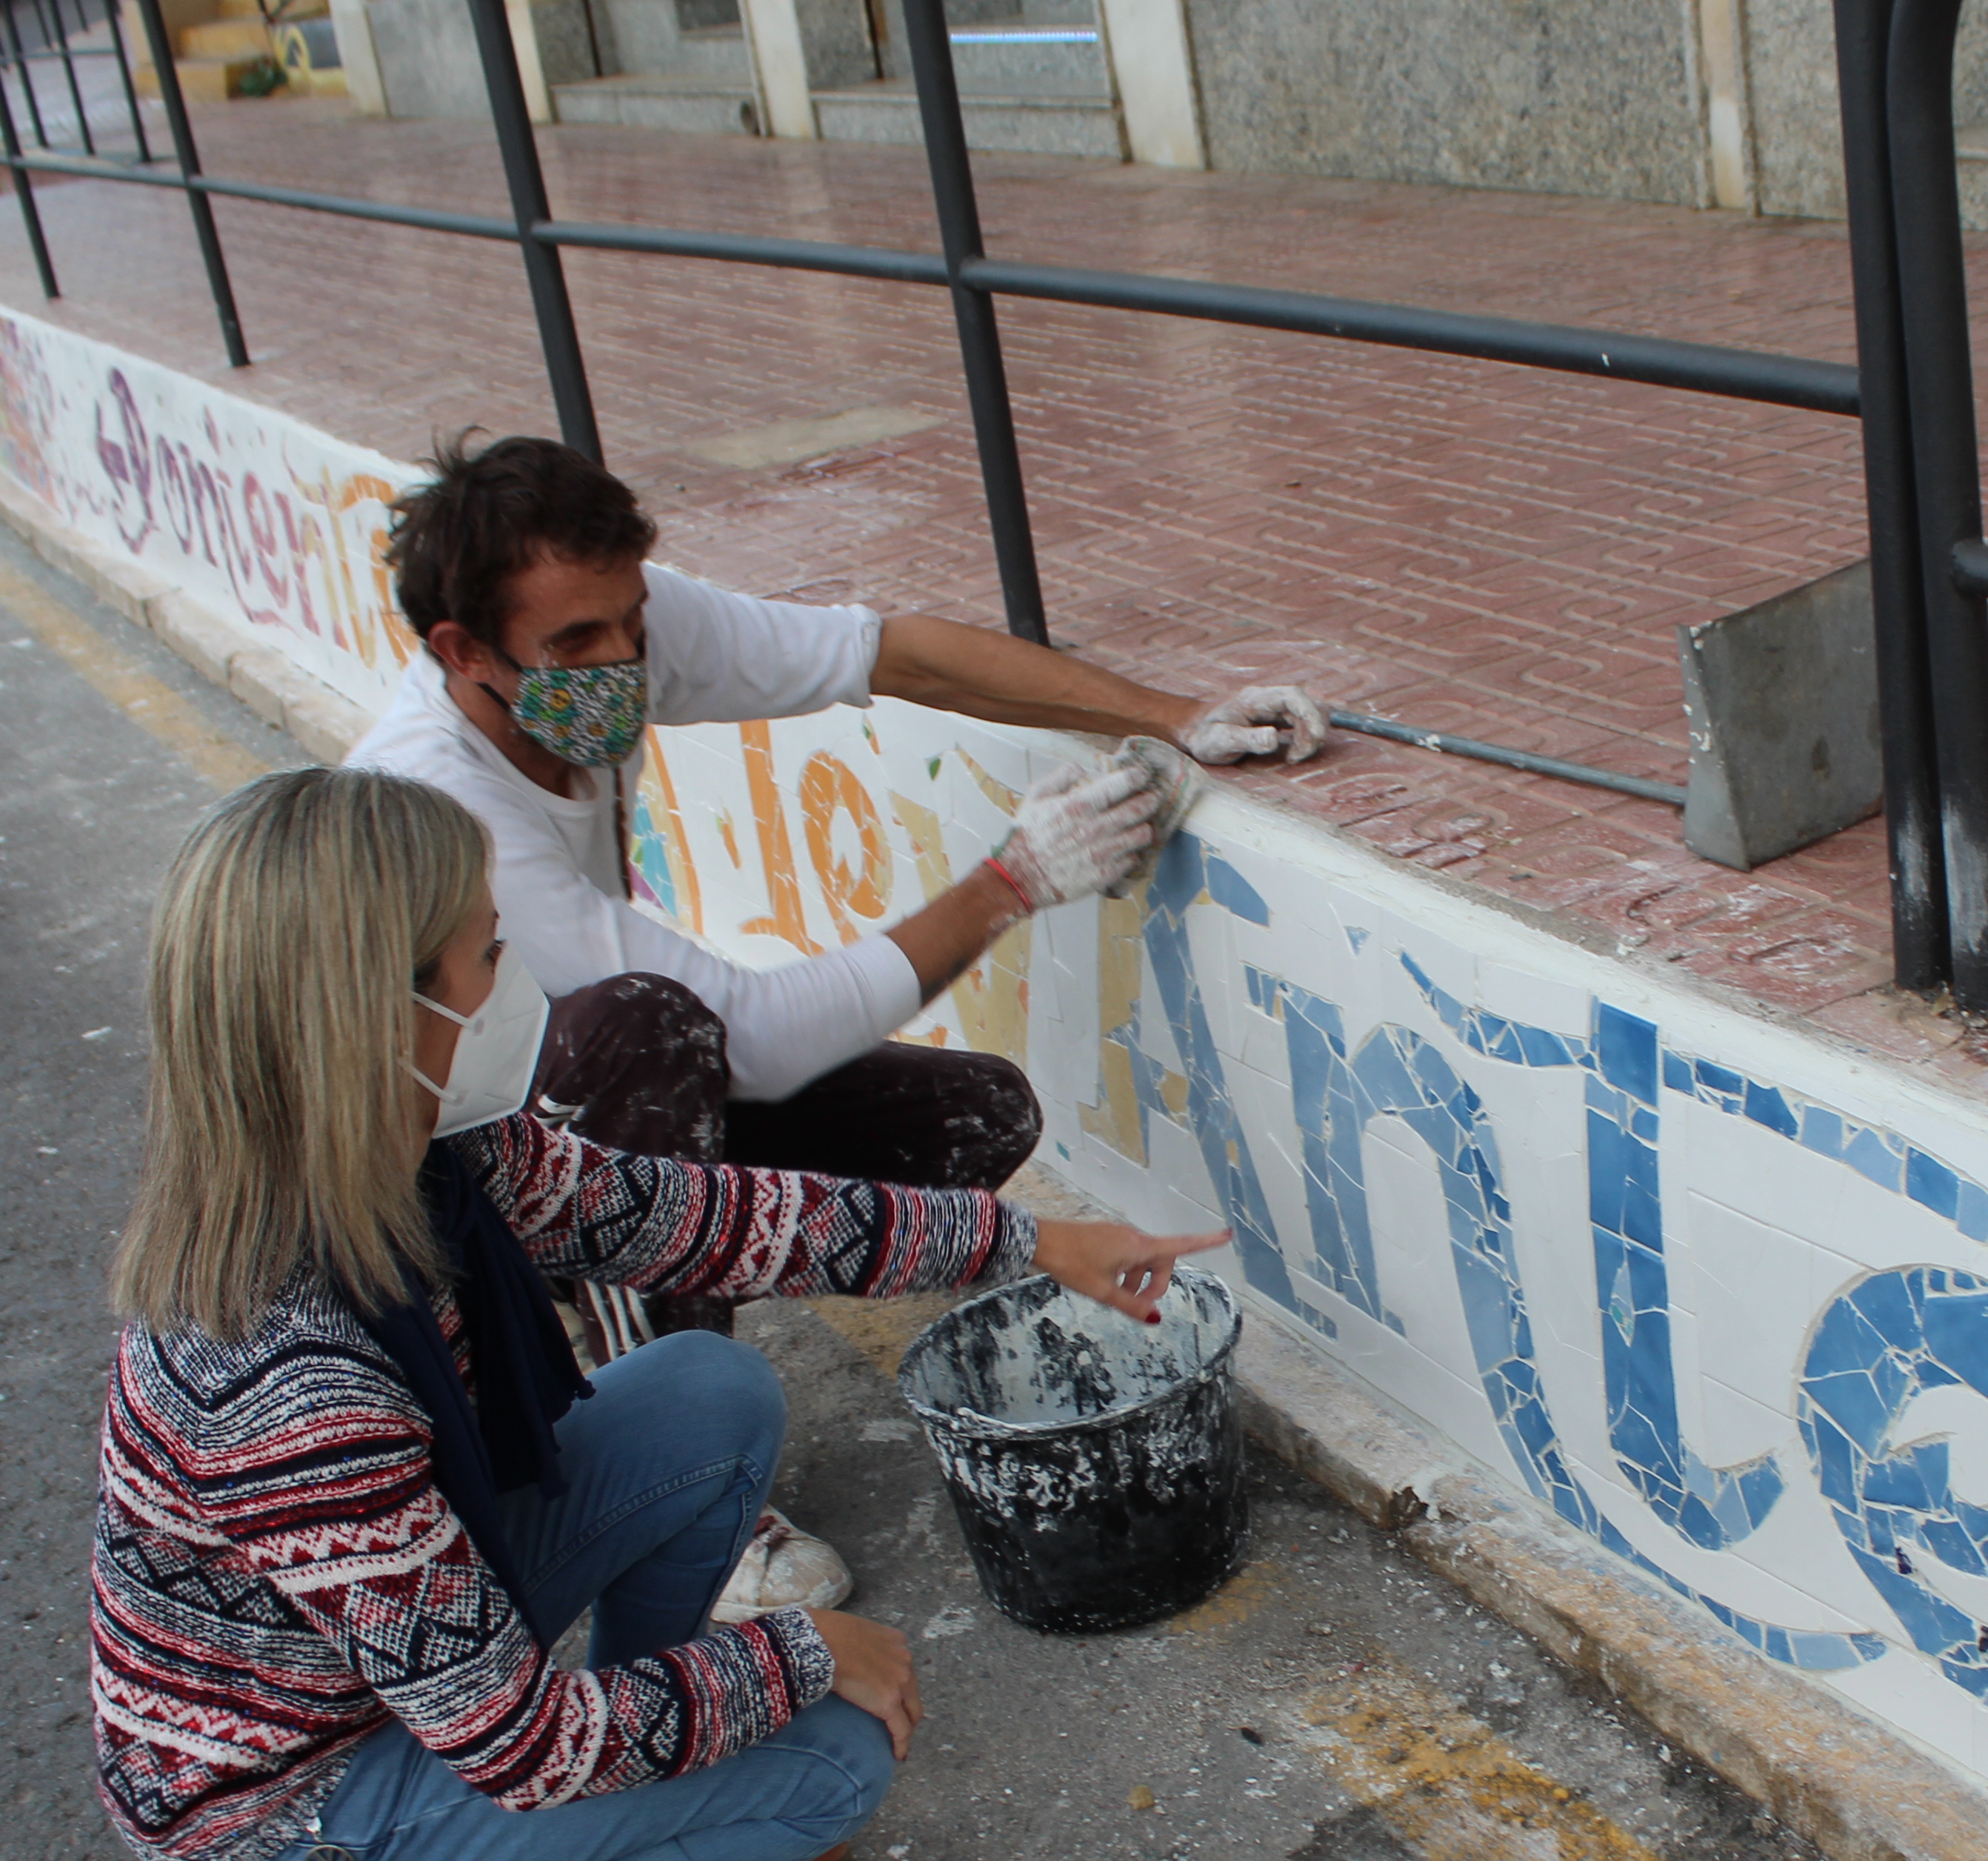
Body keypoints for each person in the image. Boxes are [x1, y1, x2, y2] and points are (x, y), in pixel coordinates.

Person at [88, 767, 1224, 1861]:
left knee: (705, 1389)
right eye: (486, 955)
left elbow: (707, 1221)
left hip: (392, 1669)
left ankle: (649, 1779)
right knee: (833, 1766)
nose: (518, 983)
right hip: (294, 1806)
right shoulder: (293, 1388)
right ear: (383, 1022)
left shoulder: (428, 1156)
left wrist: (1040, 1242)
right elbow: (515, 1745)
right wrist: (803, 1657)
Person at [348, 434, 1322, 1611]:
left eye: (632, 626)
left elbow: (889, 653)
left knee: (971, 1120)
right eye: (575, 646)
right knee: (643, 1034)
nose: (619, 664)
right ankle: (675, 1492)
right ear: (463, 651)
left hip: (581, 1143)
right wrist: (1009, 884)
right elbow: (747, 1036)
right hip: (444, 1200)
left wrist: (1174, 714)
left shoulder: (616, 629)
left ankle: (656, 1294)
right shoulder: (449, 813)